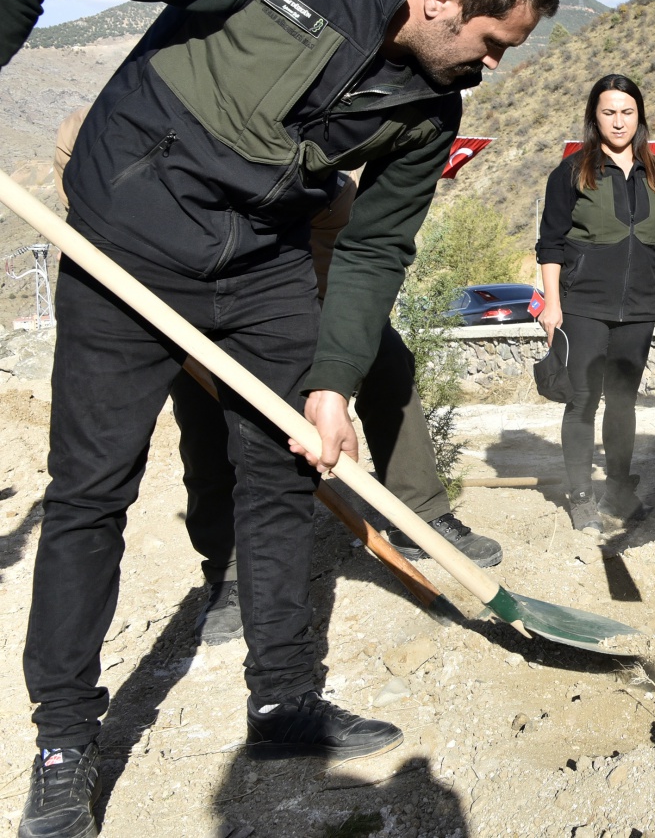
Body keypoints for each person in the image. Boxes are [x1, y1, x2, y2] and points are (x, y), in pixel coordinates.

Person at [2, 0, 556, 833]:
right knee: (93, 488)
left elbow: (377, 249)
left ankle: (283, 703)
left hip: (261, 264)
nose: (494, 68)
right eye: (493, 44)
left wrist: (334, 379)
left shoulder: (430, 106)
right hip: (126, 239)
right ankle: (63, 742)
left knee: (284, 474)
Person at [52, 112, 504, 649]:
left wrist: (328, 366)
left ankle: (421, 516)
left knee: (386, 363)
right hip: (178, 294)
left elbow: (347, 276)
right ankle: (230, 571)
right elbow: (87, 217)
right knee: (206, 424)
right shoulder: (97, 130)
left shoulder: (322, 184)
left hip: (299, 292)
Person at [535, 75, 655, 534]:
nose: (618, 121)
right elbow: (550, 244)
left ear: (639, 116)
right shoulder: (572, 171)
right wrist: (552, 305)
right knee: (582, 400)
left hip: (639, 308)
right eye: (608, 112)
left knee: (622, 403)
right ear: (594, 117)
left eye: (626, 112)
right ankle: (580, 495)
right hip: (582, 306)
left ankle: (618, 488)